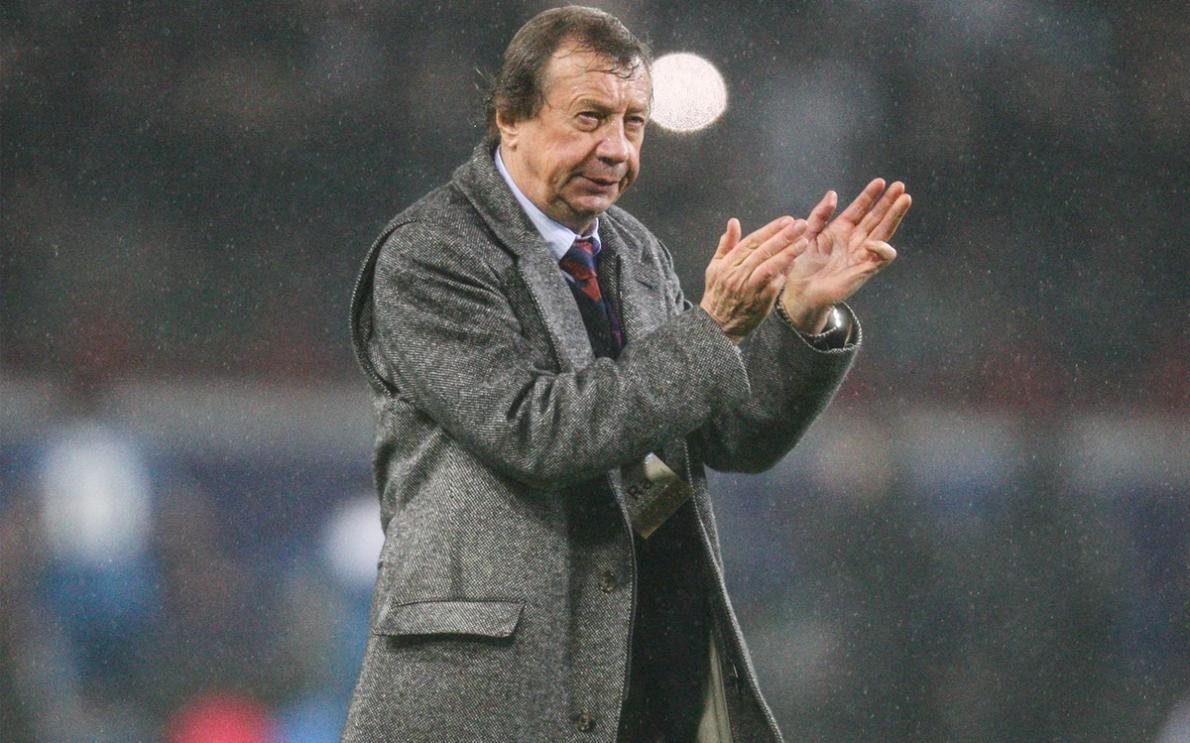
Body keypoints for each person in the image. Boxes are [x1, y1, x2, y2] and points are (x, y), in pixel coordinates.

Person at [342, 6, 910, 742]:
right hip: (487, 694)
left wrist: (799, 317)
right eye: (589, 117)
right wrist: (711, 330)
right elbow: (538, 432)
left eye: (633, 123)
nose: (615, 148)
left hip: (643, 676)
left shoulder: (634, 250)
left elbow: (729, 434)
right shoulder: (431, 253)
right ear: (510, 118)